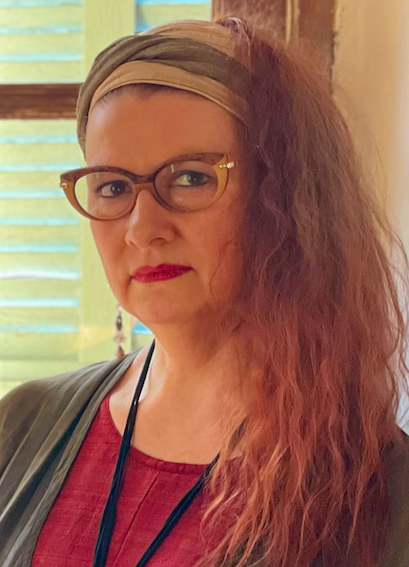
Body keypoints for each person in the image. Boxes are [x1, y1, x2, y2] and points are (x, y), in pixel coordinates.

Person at [0, 16, 408, 567]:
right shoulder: (22, 425)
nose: (143, 228)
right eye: (113, 186)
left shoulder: (380, 491)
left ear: (286, 202)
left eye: (191, 177)